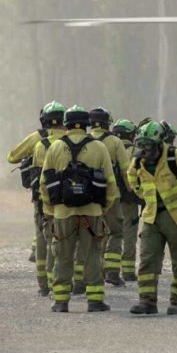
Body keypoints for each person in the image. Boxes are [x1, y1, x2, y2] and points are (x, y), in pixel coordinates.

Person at [40, 106, 118, 312]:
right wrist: (103, 207)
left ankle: (61, 302)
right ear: (87, 125)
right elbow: (111, 183)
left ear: (66, 124)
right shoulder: (99, 147)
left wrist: (50, 209)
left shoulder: (55, 147)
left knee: (63, 257)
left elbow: (43, 182)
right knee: (92, 254)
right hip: (92, 212)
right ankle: (95, 301)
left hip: (62, 213)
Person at [127, 121, 177, 315]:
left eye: (149, 146)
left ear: (159, 143)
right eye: (142, 145)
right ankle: (147, 302)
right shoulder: (138, 162)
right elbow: (132, 180)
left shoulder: (176, 157)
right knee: (147, 260)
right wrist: (145, 197)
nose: (145, 150)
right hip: (151, 217)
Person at [89, 107, 130, 287]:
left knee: (93, 233)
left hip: (88, 196)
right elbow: (125, 170)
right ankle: (112, 271)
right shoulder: (115, 141)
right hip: (112, 195)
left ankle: (93, 272)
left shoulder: (85, 140)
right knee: (116, 231)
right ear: (107, 123)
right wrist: (133, 190)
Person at [7, 104, 53, 263]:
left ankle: (44, 278)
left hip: (41, 192)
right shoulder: (70, 137)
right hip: (68, 193)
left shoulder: (36, 138)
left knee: (41, 228)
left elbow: (12, 157)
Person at [30, 102, 67, 296]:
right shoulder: (73, 141)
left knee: (43, 240)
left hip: (44, 201)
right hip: (69, 200)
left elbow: (12, 156)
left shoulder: (39, 143)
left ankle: (44, 284)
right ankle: (69, 282)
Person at [111, 119, 140, 281]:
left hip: (110, 197)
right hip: (129, 199)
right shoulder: (135, 150)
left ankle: (107, 268)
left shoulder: (107, 146)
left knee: (110, 232)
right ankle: (128, 271)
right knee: (129, 232)